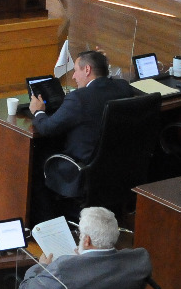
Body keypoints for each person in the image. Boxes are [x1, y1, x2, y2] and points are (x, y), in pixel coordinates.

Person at [13, 206, 152, 289]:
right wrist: (85, 260)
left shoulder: (63, 268)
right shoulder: (139, 260)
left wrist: (41, 267)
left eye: (80, 234)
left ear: (87, 241)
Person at [29, 51, 135, 209]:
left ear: (87, 70)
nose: (73, 77)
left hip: (84, 170)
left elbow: (46, 128)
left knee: (36, 159)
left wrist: (38, 111)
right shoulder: (123, 87)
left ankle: (48, 217)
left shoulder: (79, 98)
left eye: (75, 71)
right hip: (119, 169)